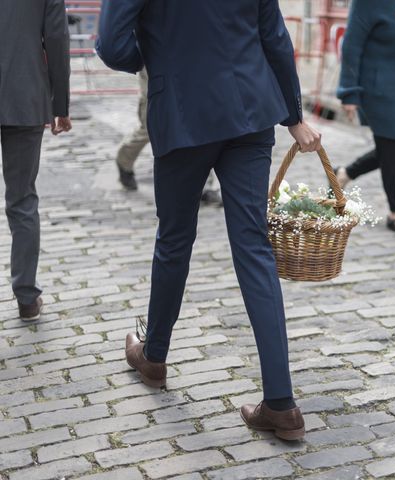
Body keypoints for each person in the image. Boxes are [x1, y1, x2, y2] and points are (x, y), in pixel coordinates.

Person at [97, 0, 321, 441]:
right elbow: (275, 38)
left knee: (174, 241)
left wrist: (163, 52)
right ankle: (281, 403)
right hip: (250, 108)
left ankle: (154, 357)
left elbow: (111, 46)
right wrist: (293, 116)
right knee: (255, 248)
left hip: (182, 108)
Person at [0, 0, 72, 321]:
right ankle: (27, 297)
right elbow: (56, 38)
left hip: (24, 97)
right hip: (25, 95)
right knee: (23, 199)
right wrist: (61, 104)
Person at [336, 0, 395, 235]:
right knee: (394, 146)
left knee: (390, 146)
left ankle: (344, 174)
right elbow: (351, 46)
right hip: (374, 86)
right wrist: (348, 93)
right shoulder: (365, 3)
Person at [115, 68, 222, 206]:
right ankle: (124, 159)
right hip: (155, 72)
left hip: (188, 70)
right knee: (150, 128)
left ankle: (201, 185)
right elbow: (116, 53)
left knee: (195, 125)